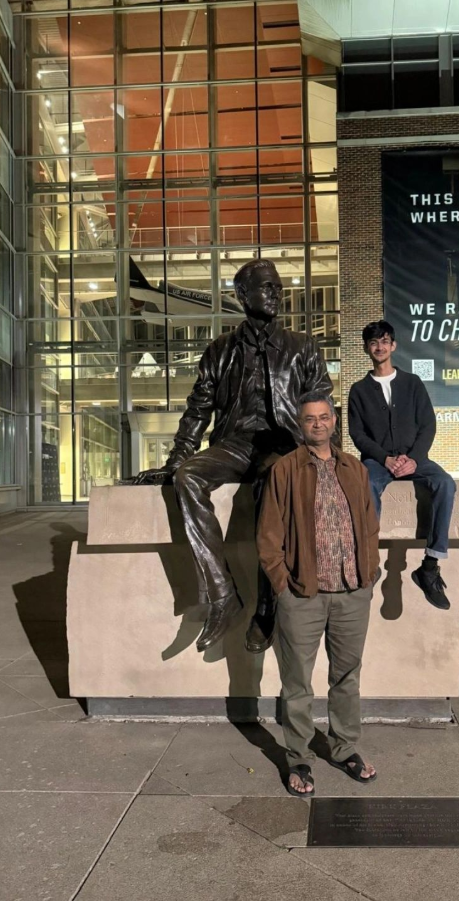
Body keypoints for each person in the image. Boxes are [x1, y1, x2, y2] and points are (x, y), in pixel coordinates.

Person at [133, 259, 333, 654]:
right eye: (267, 287)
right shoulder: (221, 349)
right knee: (188, 477)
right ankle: (223, 593)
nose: (276, 294)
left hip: (283, 445)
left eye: (278, 287)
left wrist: (327, 458)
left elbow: (322, 405)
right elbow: (198, 409)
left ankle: (266, 606)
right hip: (234, 444)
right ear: (242, 295)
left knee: (273, 480)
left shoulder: (302, 347)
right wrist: (178, 459)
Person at [257, 391, 379, 797]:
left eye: (324, 417)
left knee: (347, 676)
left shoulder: (354, 468)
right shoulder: (285, 469)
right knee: (297, 682)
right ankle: (299, 758)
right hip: (302, 594)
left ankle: (344, 748)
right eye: (310, 419)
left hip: (352, 591)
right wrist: (282, 584)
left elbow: (370, 525)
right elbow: (268, 535)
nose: (318, 424)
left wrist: (370, 574)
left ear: (334, 421)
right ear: (301, 424)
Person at [348, 320, 455, 611]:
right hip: (378, 461)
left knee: (445, 483)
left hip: (416, 458)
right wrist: (385, 458)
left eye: (384, 341)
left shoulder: (412, 383)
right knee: (367, 483)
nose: (379, 347)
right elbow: (357, 434)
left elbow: (428, 424)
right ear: (366, 348)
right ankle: (369, 566)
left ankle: (429, 566)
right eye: (373, 342)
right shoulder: (359, 390)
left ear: (393, 346)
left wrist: (414, 458)